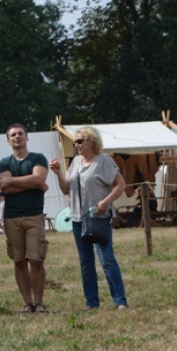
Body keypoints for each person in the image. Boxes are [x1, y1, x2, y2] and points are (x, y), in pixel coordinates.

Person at [50, 126, 129, 310]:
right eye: (75, 142)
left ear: (91, 141)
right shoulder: (76, 162)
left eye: (79, 141)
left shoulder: (104, 161)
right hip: (78, 219)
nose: (76, 145)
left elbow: (121, 184)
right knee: (86, 262)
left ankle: (120, 301)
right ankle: (91, 302)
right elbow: (66, 190)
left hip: (98, 217)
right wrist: (59, 173)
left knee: (107, 259)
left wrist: (105, 202)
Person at [0, 123, 50, 313]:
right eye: (13, 135)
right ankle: (28, 302)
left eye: (20, 134)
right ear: (8, 140)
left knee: (36, 260)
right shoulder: (4, 163)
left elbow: (39, 179)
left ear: (27, 137)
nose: (17, 137)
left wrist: (12, 181)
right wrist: (34, 183)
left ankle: (39, 302)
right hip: (12, 218)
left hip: (34, 215)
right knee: (19, 261)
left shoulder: (38, 158)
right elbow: (4, 187)